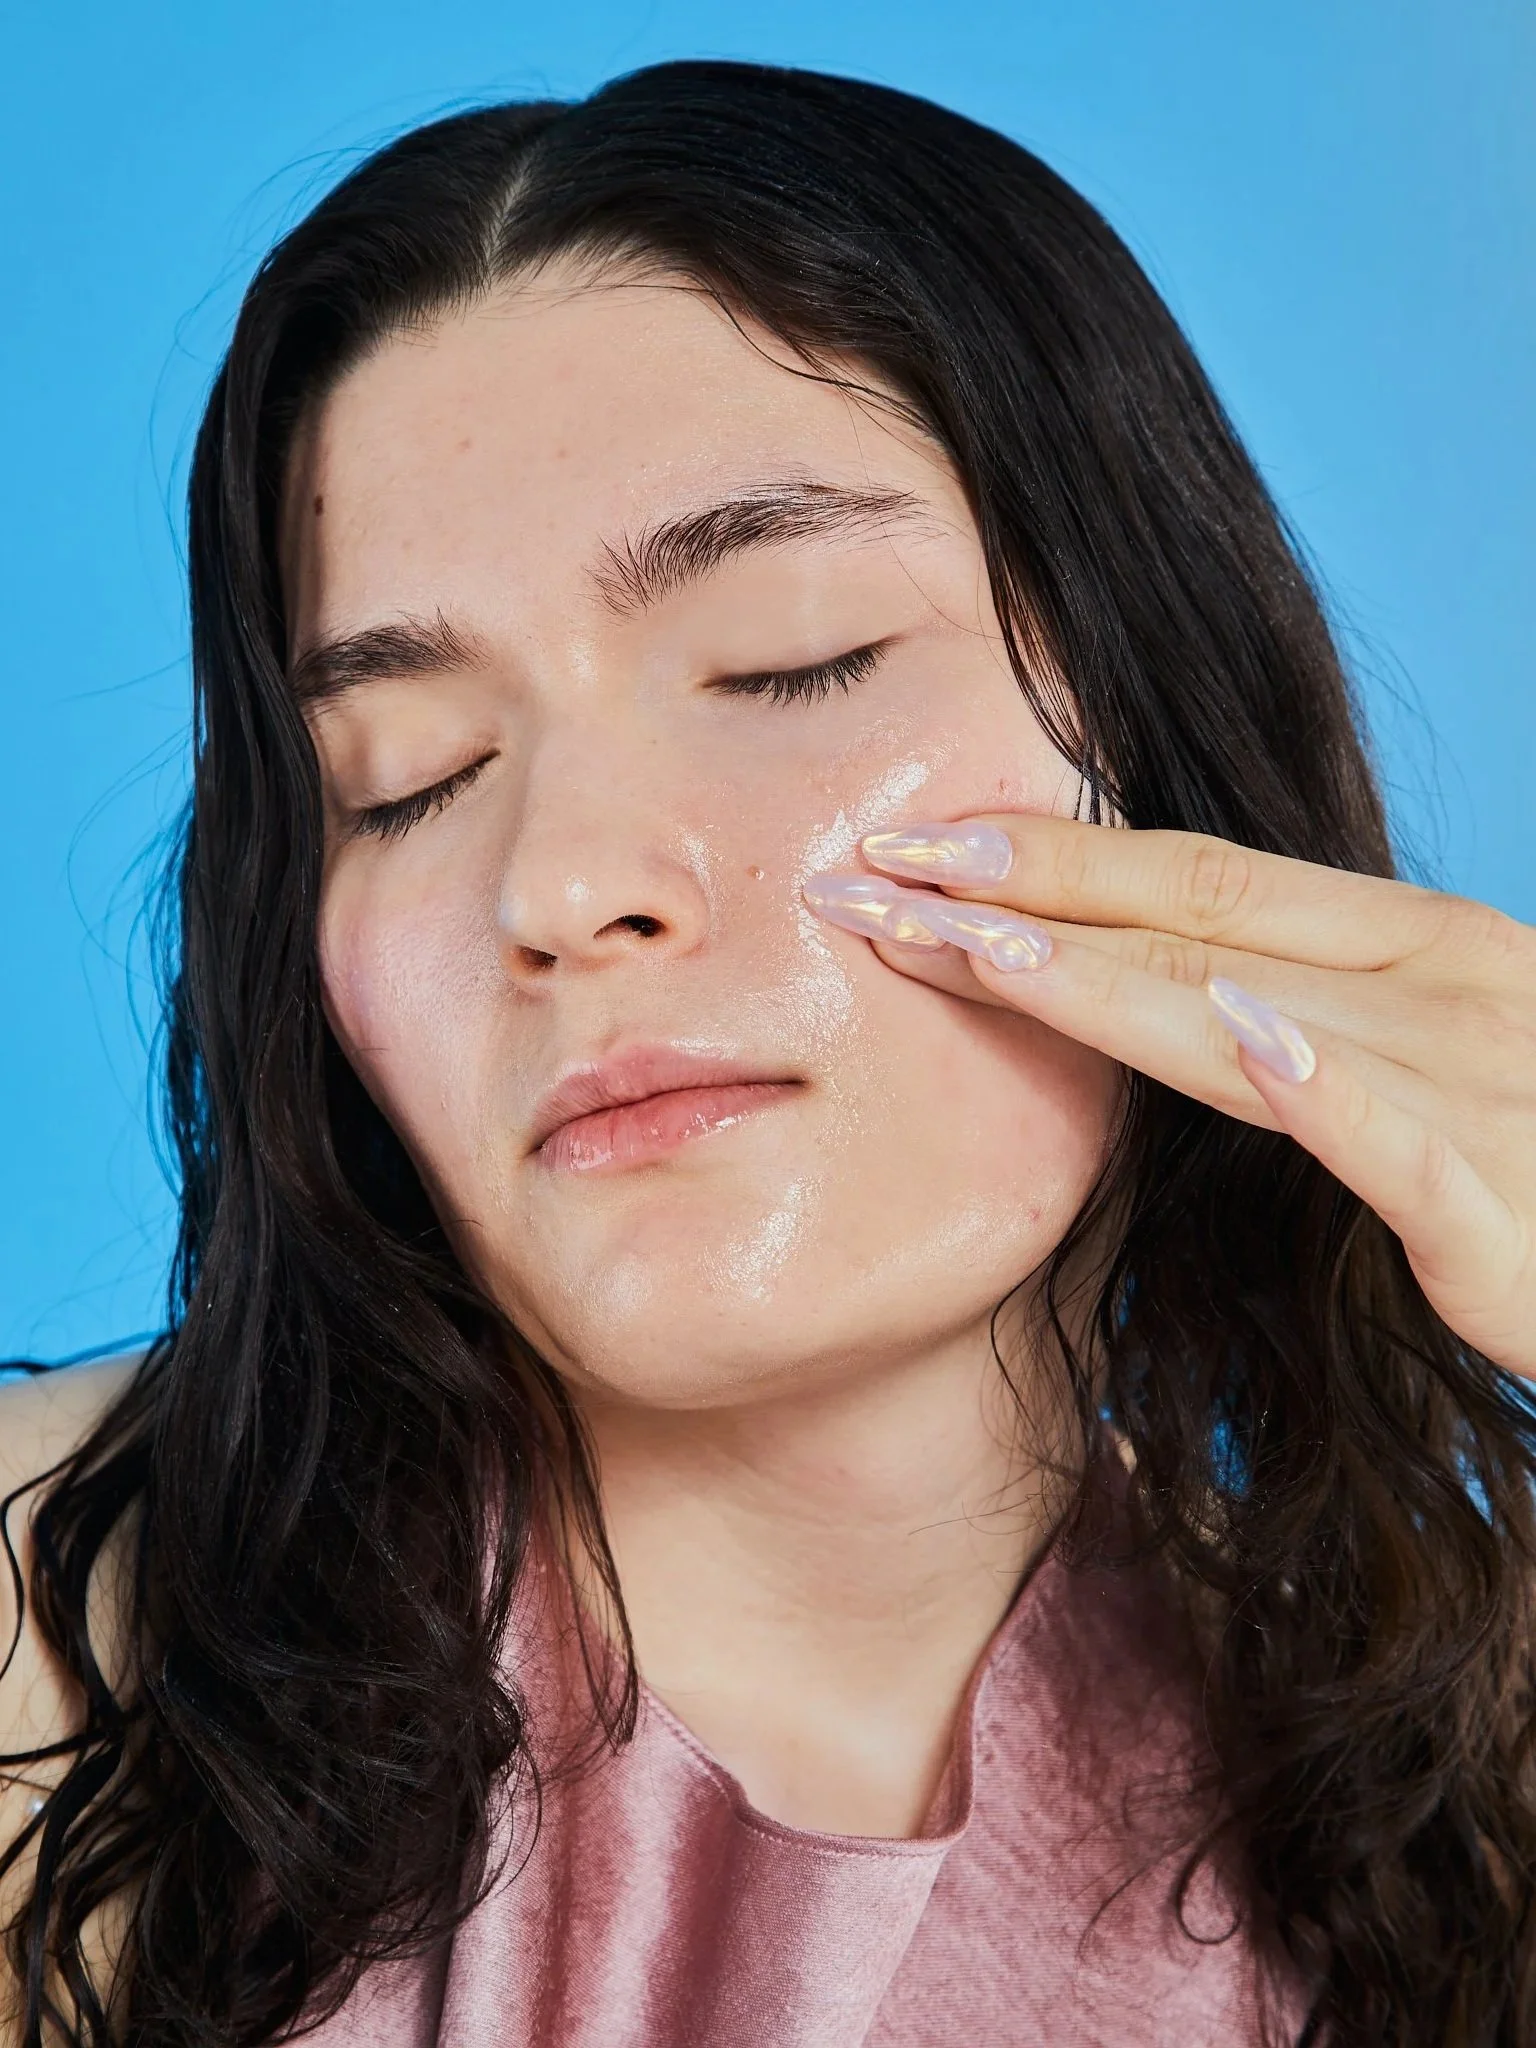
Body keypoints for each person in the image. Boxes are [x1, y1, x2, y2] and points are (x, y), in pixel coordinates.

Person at [2, 58, 1533, 2048]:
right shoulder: (47, 1661)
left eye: (788, 657)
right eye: (402, 780)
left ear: (1160, 748)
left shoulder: (1470, 1769)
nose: (560, 882)